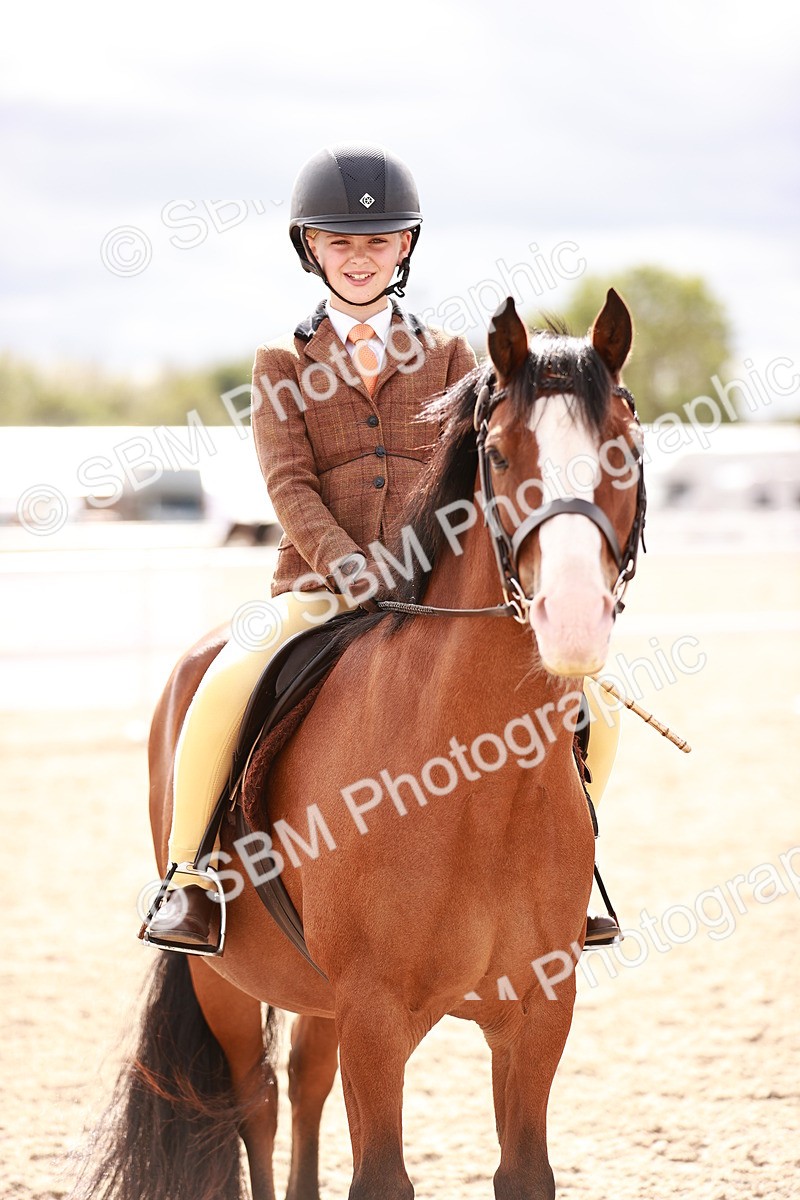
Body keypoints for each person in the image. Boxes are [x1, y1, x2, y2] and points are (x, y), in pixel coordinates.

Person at [143, 142, 622, 955]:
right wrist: (350, 565)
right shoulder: (281, 363)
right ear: (311, 248)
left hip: (431, 585)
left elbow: (470, 476)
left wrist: (418, 562)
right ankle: (191, 878)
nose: (359, 257)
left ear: (404, 246)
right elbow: (289, 484)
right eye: (340, 242)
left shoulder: (452, 356)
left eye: (376, 241)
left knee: (595, 708)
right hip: (319, 589)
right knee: (224, 681)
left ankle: (570, 872)